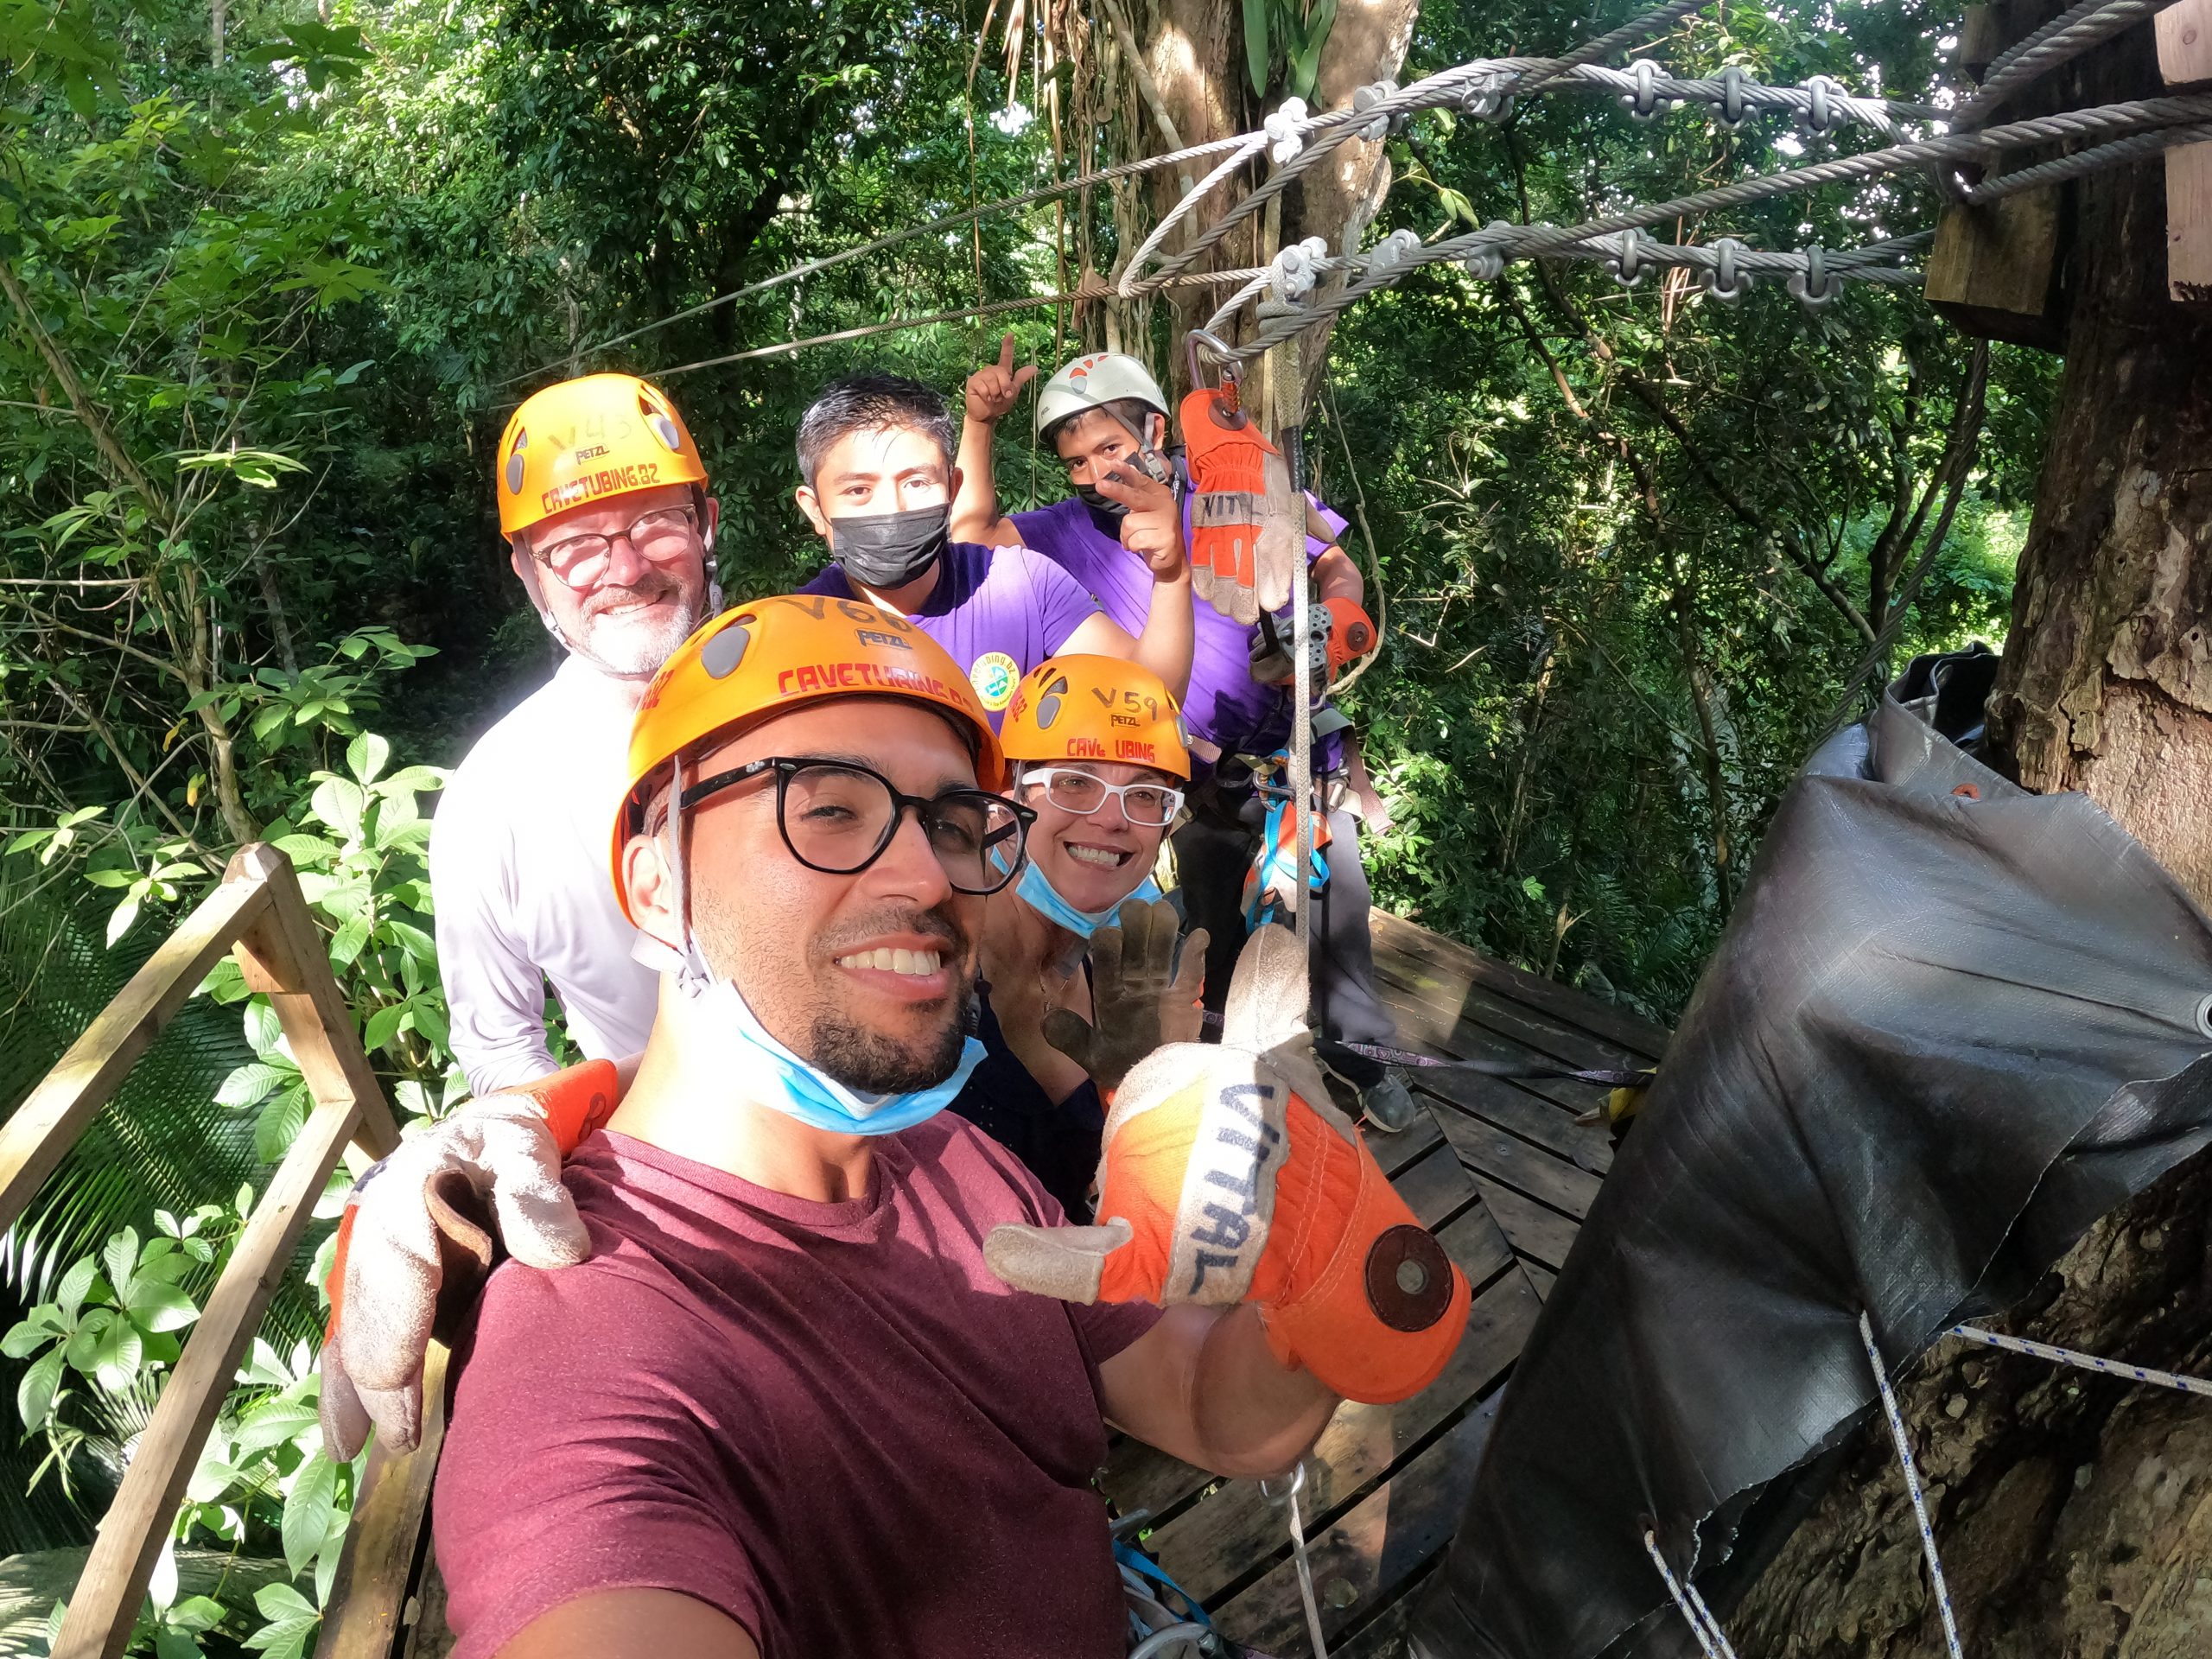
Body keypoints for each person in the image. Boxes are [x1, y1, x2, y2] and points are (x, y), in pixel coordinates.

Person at [427, 596, 1469, 1659]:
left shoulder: (950, 1160)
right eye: (828, 809)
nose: (928, 877)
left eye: (956, 826)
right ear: (656, 888)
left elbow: (1208, 1408)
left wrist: (1323, 1266)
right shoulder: (588, 1341)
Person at [950, 342, 1417, 1130]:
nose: (1096, 474)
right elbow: (971, 534)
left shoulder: (1236, 486)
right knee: (1211, 927)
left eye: (1108, 448)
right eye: (1076, 462)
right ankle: (1235, 1074)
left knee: (1336, 908)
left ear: (1155, 428)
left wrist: (1332, 620)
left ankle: (1362, 1064)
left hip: (1293, 759)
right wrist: (978, 424)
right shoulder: (1068, 533)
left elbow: (1335, 560)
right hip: (1194, 774)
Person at [430, 372, 720, 1096]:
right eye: (574, 546)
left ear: (705, 524)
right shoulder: (495, 802)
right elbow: (499, 1046)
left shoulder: (819, 693)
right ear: (528, 573)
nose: (624, 568)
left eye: (655, 520)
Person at [959, 654, 1206, 1219]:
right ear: (1015, 793)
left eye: (1145, 795)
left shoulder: (1122, 972)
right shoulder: (936, 961)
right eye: (1074, 782)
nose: (1112, 819)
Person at [793, 370, 1192, 718]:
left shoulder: (1024, 585)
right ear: (814, 509)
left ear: (952, 488)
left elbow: (1151, 698)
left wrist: (1172, 576)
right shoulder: (794, 636)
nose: (892, 509)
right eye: (859, 490)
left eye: (917, 483)